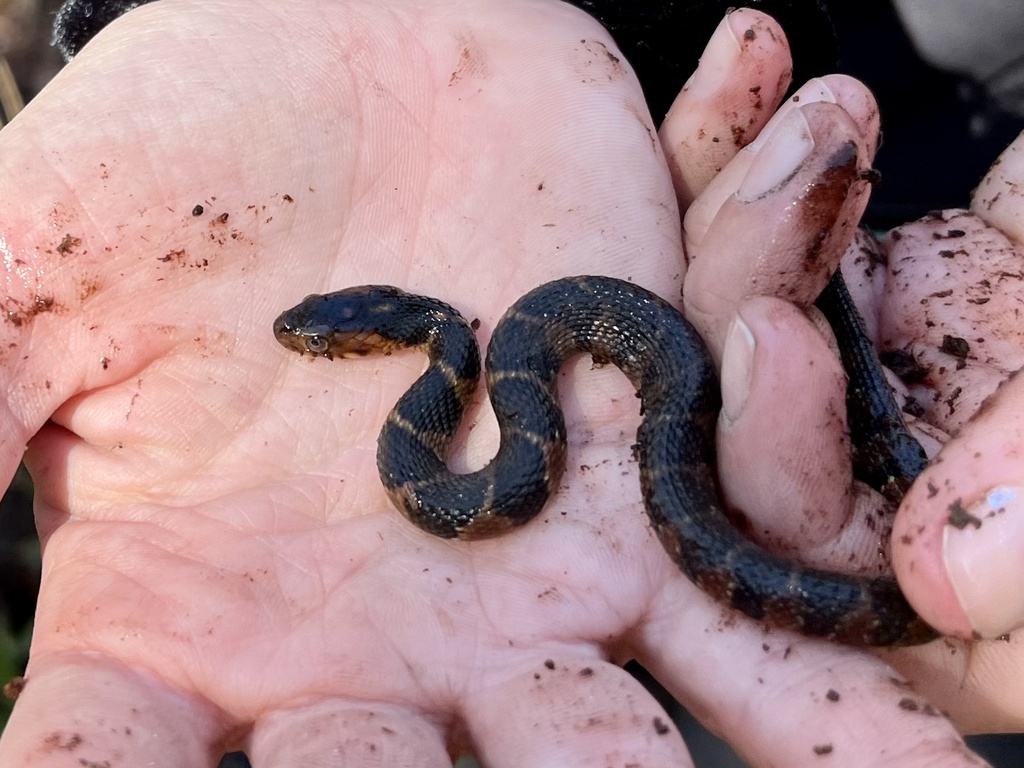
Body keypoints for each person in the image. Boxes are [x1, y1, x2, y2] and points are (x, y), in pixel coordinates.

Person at [0, 2, 1020, 765]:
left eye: (322, 341)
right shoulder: (462, 360)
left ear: (373, 338)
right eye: (322, 339)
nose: (314, 342)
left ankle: (880, 425)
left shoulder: (485, 355)